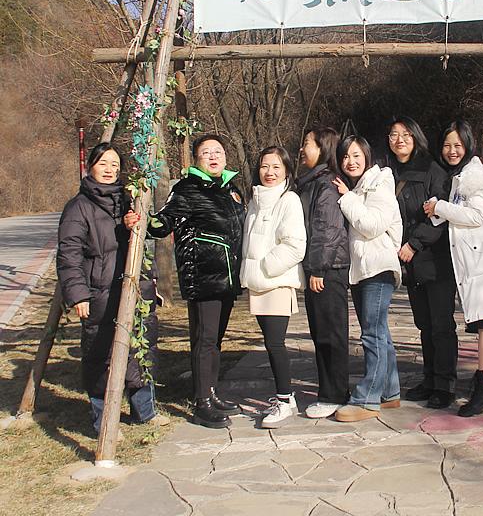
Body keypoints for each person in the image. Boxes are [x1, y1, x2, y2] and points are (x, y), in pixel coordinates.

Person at [57, 142, 167, 434]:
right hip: (99, 293)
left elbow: (143, 249)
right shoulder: (78, 207)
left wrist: (151, 279)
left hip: (134, 288)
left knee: (142, 347)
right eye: (103, 163)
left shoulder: (129, 200)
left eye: (115, 165)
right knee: (100, 354)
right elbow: (69, 256)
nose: (109, 170)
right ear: (91, 166)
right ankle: (103, 419)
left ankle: (144, 411)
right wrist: (78, 294)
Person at [149, 134, 245, 429]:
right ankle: (202, 402)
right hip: (203, 274)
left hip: (227, 275)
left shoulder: (231, 189)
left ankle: (211, 392)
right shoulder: (187, 188)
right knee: (204, 340)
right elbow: (163, 222)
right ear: (196, 159)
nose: (213, 157)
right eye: (206, 153)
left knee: (214, 340)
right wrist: (147, 221)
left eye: (218, 151)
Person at [423, 121, 483, 416]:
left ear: (468, 145)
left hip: (481, 261)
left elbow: (475, 216)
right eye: (447, 145)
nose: (451, 151)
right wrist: (439, 210)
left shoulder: (473, 175)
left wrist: (439, 207)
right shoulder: (462, 176)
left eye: (457, 145)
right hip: (481, 260)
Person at [383, 116, 457, 409]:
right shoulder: (388, 173)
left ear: (415, 137)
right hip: (410, 261)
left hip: (434, 258)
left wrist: (414, 243)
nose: (399, 139)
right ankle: (429, 379)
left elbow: (441, 214)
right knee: (424, 324)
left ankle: (445, 384)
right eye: (393, 135)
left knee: (441, 324)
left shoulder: (432, 169)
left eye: (405, 134)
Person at [333, 135, 403, 421]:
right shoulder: (360, 186)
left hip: (378, 266)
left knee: (372, 333)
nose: (351, 161)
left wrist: (346, 198)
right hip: (364, 268)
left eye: (356, 155)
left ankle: (368, 397)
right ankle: (389, 391)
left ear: (367, 157)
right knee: (379, 331)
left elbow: (373, 225)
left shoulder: (378, 184)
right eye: (346, 156)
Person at [240, 146, 307, 428]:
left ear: (287, 171)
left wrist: (266, 268)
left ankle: (283, 401)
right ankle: (286, 397)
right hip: (258, 283)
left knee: (276, 344)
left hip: (275, 281)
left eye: (277, 167)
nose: (270, 173)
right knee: (271, 343)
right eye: (265, 166)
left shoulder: (289, 200)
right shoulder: (256, 200)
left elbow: (295, 246)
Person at [296, 127, 351, 419]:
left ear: (323, 148)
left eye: (307, 144)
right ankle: (330, 391)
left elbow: (327, 229)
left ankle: (335, 395)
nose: (302, 149)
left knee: (331, 335)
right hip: (319, 267)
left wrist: (317, 267)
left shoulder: (326, 184)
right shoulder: (310, 181)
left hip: (328, 269)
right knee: (322, 333)